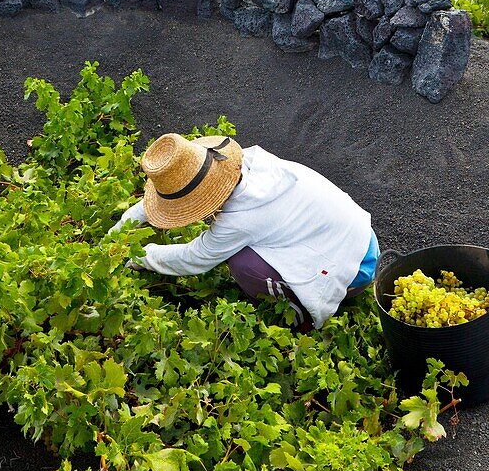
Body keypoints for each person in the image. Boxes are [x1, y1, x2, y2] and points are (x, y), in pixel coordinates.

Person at [112, 132, 380, 331]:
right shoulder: (247, 161)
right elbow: (175, 190)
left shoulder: (240, 219)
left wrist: (138, 255)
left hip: (354, 267)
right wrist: (122, 227)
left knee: (244, 264)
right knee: (253, 249)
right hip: (358, 235)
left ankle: (300, 322)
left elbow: (194, 258)